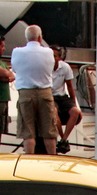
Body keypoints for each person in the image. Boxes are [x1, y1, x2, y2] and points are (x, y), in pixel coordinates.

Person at [10, 25, 57, 155]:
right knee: (49, 132)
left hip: (26, 93)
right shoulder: (49, 52)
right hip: (45, 92)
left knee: (28, 132)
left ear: (26, 38)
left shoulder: (17, 52)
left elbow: (14, 69)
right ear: (40, 37)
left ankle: (29, 161)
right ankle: (53, 159)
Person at [51, 46, 82, 155]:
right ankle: (62, 139)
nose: (52, 58)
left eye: (54, 56)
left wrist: (74, 103)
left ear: (59, 58)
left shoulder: (65, 67)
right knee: (54, 112)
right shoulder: (45, 67)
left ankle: (63, 139)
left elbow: (69, 86)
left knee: (75, 112)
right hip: (50, 96)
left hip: (63, 97)